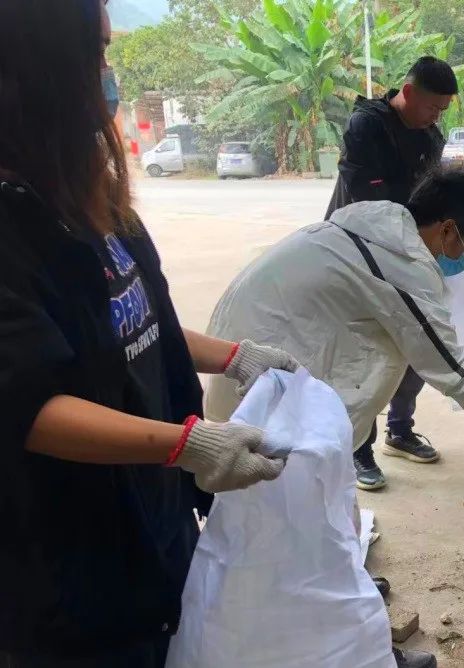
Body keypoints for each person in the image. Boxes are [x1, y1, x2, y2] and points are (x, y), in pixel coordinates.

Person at [0, 1, 296, 665]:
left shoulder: (82, 192)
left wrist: (237, 357)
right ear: (39, 66)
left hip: (152, 521)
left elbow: (138, 320)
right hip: (72, 571)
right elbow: (28, 408)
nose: (110, 76)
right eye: (98, 53)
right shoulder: (11, 226)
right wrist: (187, 444)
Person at [205, 166, 464, 487]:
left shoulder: (372, 228)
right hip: (255, 383)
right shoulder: (403, 262)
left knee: (306, 495)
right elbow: (445, 362)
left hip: (243, 355)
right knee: (287, 498)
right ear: (448, 229)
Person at [325, 56, 458, 491]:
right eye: (432, 106)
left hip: (407, 251)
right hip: (357, 249)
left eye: (443, 110)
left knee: (417, 339)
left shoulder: (431, 135)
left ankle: (400, 430)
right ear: (409, 91)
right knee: (367, 350)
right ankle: (359, 447)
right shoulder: (369, 125)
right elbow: (369, 195)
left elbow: (430, 194)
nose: (436, 116)